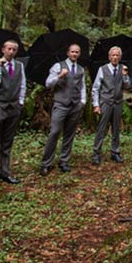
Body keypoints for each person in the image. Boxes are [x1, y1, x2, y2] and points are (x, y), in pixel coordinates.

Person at [40, 43, 87, 175]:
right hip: (61, 104)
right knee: (54, 132)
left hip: (75, 105)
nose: (74, 54)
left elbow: (82, 86)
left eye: (77, 52)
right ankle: (46, 163)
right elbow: (48, 84)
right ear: (68, 53)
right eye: (72, 52)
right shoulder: (58, 66)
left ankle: (64, 161)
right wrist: (59, 75)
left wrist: (82, 101)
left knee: (69, 134)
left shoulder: (80, 69)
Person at [0, 39, 26, 185]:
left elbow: (22, 84)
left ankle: (5, 172)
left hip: (14, 107)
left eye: (14, 49)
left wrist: (20, 102)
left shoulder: (19, 66)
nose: (11, 52)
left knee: (7, 141)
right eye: (9, 49)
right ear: (3, 49)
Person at [91, 46, 130, 164]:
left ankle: (115, 152)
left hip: (118, 103)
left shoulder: (123, 69)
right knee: (101, 129)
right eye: (113, 55)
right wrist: (96, 105)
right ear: (109, 57)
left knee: (116, 129)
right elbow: (96, 88)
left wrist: (124, 75)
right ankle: (96, 153)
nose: (115, 57)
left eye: (117, 55)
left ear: (120, 57)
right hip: (105, 102)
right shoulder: (102, 69)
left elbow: (127, 86)